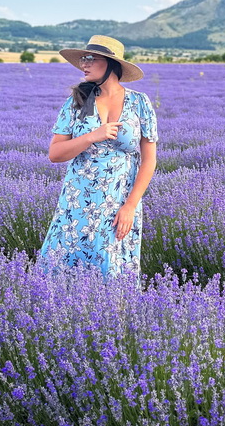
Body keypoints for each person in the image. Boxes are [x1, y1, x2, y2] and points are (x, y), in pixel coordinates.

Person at [38, 35, 158, 283]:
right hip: (78, 202)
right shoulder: (77, 102)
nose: (84, 64)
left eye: (91, 59)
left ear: (111, 64)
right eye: (83, 58)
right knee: (65, 266)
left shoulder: (139, 103)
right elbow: (55, 154)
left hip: (120, 202)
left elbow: (149, 161)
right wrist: (91, 136)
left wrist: (130, 206)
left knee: (113, 268)